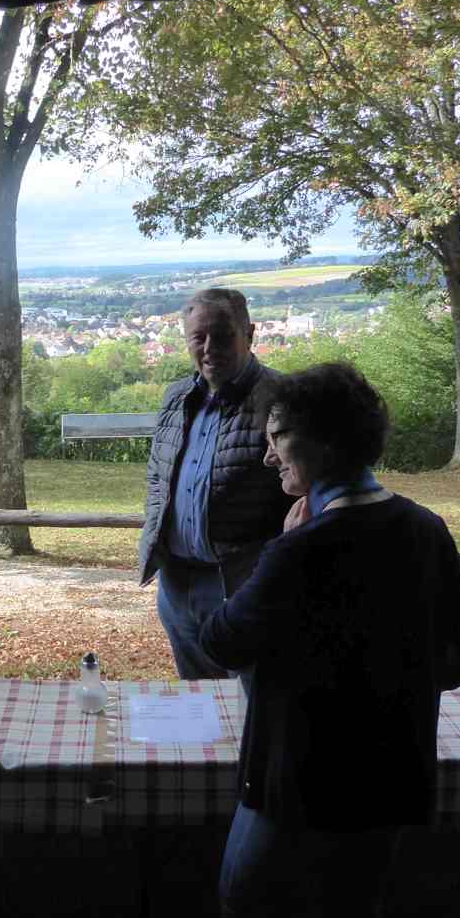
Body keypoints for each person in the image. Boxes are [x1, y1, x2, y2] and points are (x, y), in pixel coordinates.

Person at [198, 362, 460, 918]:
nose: (268, 457)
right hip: (389, 775)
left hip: (295, 780)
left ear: (326, 442)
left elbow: (220, 642)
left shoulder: (300, 549)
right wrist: (405, 685)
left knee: (245, 904)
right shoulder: (423, 528)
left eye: (278, 438)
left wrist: (277, 547)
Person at [138, 287, 293, 679]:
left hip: (244, 585)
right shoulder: (176, 397)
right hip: (176, 584)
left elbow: (303, 495)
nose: (209, 348)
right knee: (198, 699)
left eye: (223, 336)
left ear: (249, 334)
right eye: (198, 337)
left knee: (253, 694)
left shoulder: (282, 399)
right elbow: (158, 479)